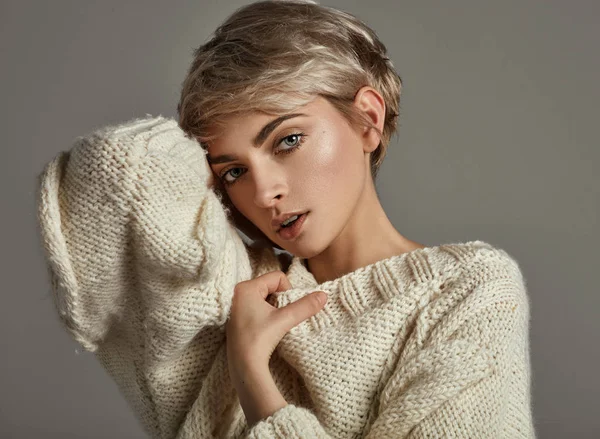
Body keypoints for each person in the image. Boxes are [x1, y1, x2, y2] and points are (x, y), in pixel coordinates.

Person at [36, 0, 535, 438]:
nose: (264, 191)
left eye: (287, 141)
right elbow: (112, 173)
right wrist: (198, 167)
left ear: (368, 119)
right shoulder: (236, 290)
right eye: (234, 172)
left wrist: (253, 375)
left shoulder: (466, 292)